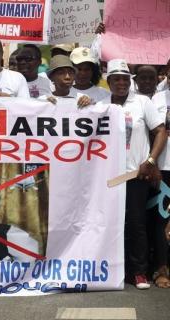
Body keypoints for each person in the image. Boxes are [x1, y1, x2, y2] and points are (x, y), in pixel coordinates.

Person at [96, 59, 167, 289]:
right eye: (116, 79)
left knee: (136, 223)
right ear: (109, 82)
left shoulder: (142, 102)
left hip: (135, 175)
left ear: (130, 82)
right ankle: (109, 268)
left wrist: (150, 160)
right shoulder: (100, 102)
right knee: (108, 222)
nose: (121, 83)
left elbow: (160, 132)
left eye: (125, 79)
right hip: (106, 176)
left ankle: (138, 272)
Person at [149, 72, 170, 288]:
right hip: (165, 167)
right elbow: (153, 134)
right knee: (162, 220)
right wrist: (153, 163)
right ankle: (161, 267)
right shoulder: (156, 100)